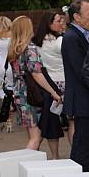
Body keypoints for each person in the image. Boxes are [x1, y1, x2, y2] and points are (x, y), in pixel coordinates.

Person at [8, 16, 62, 150]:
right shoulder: (29, 48)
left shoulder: (15, 49)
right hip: (31, 97)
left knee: (32, 135)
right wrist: (53, 92)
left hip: (20, 95)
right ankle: (24, 168)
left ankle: (29, 167)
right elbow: (37, 74)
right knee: (35, 138)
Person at [61, 0, 89, 169]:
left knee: (85, 142)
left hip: (85, 98)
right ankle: (77, 176)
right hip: (82, 99)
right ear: (77, 17)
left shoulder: (84, 34)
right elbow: (82, 70)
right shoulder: (72, 37)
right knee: (82, 144)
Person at [34, 11, 67, 159]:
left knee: (49, 122)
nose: (62, 23)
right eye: (58, 20)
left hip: (47, 85)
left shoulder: (37, 43)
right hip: (63, 84)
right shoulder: (60, 42)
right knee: (73, 122)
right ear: (50, 24)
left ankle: (55, 155)